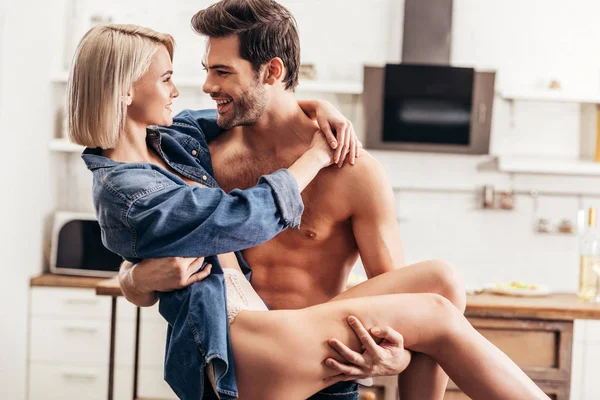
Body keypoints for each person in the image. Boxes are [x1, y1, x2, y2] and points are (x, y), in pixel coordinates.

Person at [70, 22, 549, 400]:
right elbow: (240, 219)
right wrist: (135, 279)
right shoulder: (132, 183)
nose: (197, 87)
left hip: (315, 350)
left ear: (272, 72)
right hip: (244, 347)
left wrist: (318, 107)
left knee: (441, 282)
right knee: (439, 316)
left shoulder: (175, 141)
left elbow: (397, 323)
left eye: (221, 72)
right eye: (174, 77)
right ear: (126, 91)